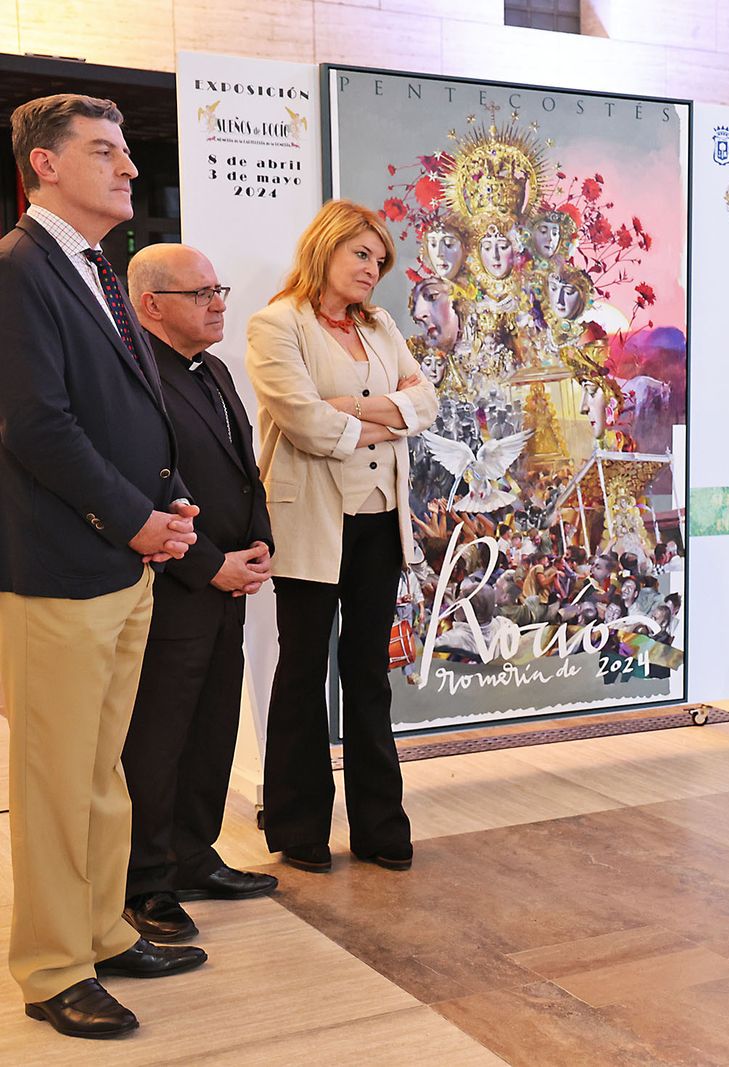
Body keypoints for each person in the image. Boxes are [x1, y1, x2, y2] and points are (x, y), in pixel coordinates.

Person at [0, 93, 206, 1040]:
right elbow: (36, 424)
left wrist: (161, 509)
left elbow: (121, 405)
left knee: (97, 767)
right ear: (44, 165)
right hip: (59, 567)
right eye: (105, 152)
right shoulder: (20, 268)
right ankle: (49, 967)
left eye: (128, 152)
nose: (129, 167)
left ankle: (99, 926)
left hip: (120, 557)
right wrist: (133, 520)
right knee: (51, 775)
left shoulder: (97, 267)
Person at [246, 199, 440, 874]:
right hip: (308, 524)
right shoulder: (277, 324)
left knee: (368, 677)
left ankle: (379, 825)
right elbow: (302, 422)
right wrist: (386, 416)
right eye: (362, 254)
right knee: (301, 673)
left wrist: (358, 410)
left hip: (379, 523)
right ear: (326, 249)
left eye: (379, 260)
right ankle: (299, 826)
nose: (372, 269)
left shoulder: (381, 325)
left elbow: (427, 401)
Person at [119, 244, 279, 946]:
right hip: (175, 584)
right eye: (201, 292)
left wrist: (259, 536)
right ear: (152, 305)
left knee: (213, 725)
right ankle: (146, 881)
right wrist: (210, 562)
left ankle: (193, 854)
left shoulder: (212, 368)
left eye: (219, 288)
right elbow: (147, 486)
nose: (219, 302)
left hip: (227, 581)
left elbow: (241, 466)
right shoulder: (132, 376)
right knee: (158, 739)